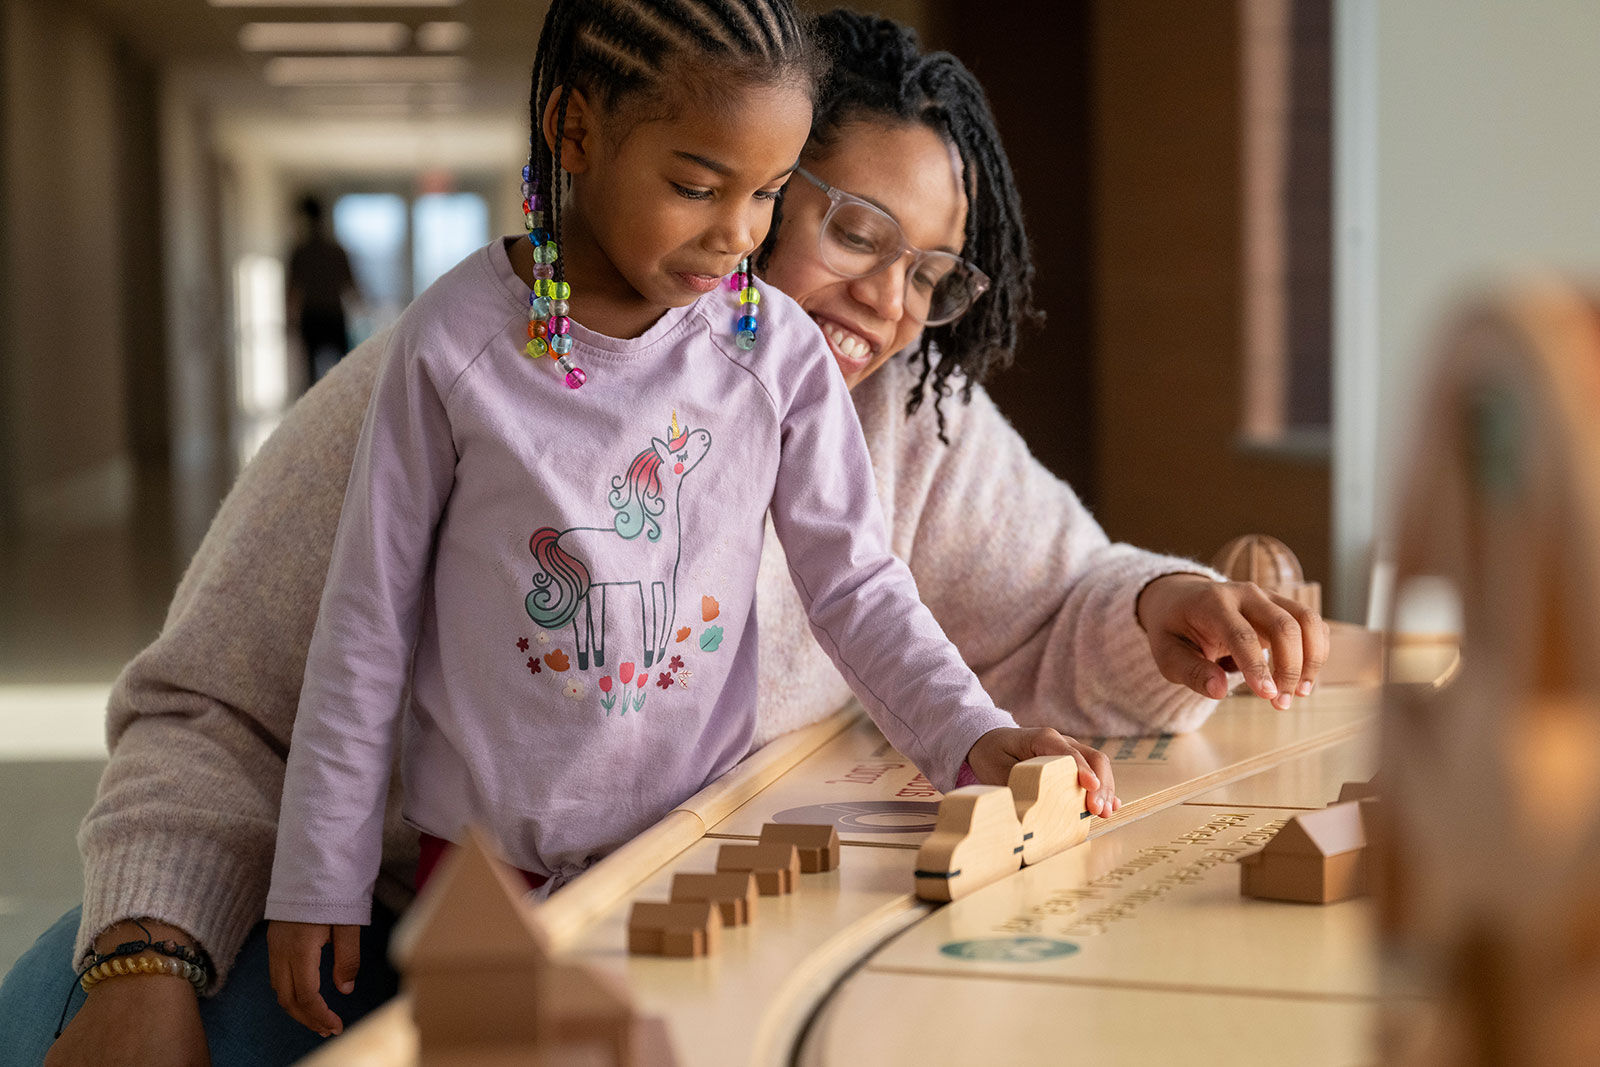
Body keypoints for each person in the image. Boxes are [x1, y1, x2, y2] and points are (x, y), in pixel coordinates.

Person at [0, 9, 1327, 1067]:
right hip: (416, 902)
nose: (892, 300)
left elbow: (1030, 603)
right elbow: (228, 699)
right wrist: (147, 949)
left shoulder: (877, 396)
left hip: (662, 929)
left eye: (933, 269)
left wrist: (1161, 604)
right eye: (855, 229)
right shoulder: (462, 361)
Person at [286, 197, 359, 386]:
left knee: (316, 377)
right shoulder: (333, 251)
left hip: (317, 316)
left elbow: (292, 291)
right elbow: (351, 286)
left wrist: (290, 320)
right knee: (342, 371)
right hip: (329, 315)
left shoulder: (302, 252)